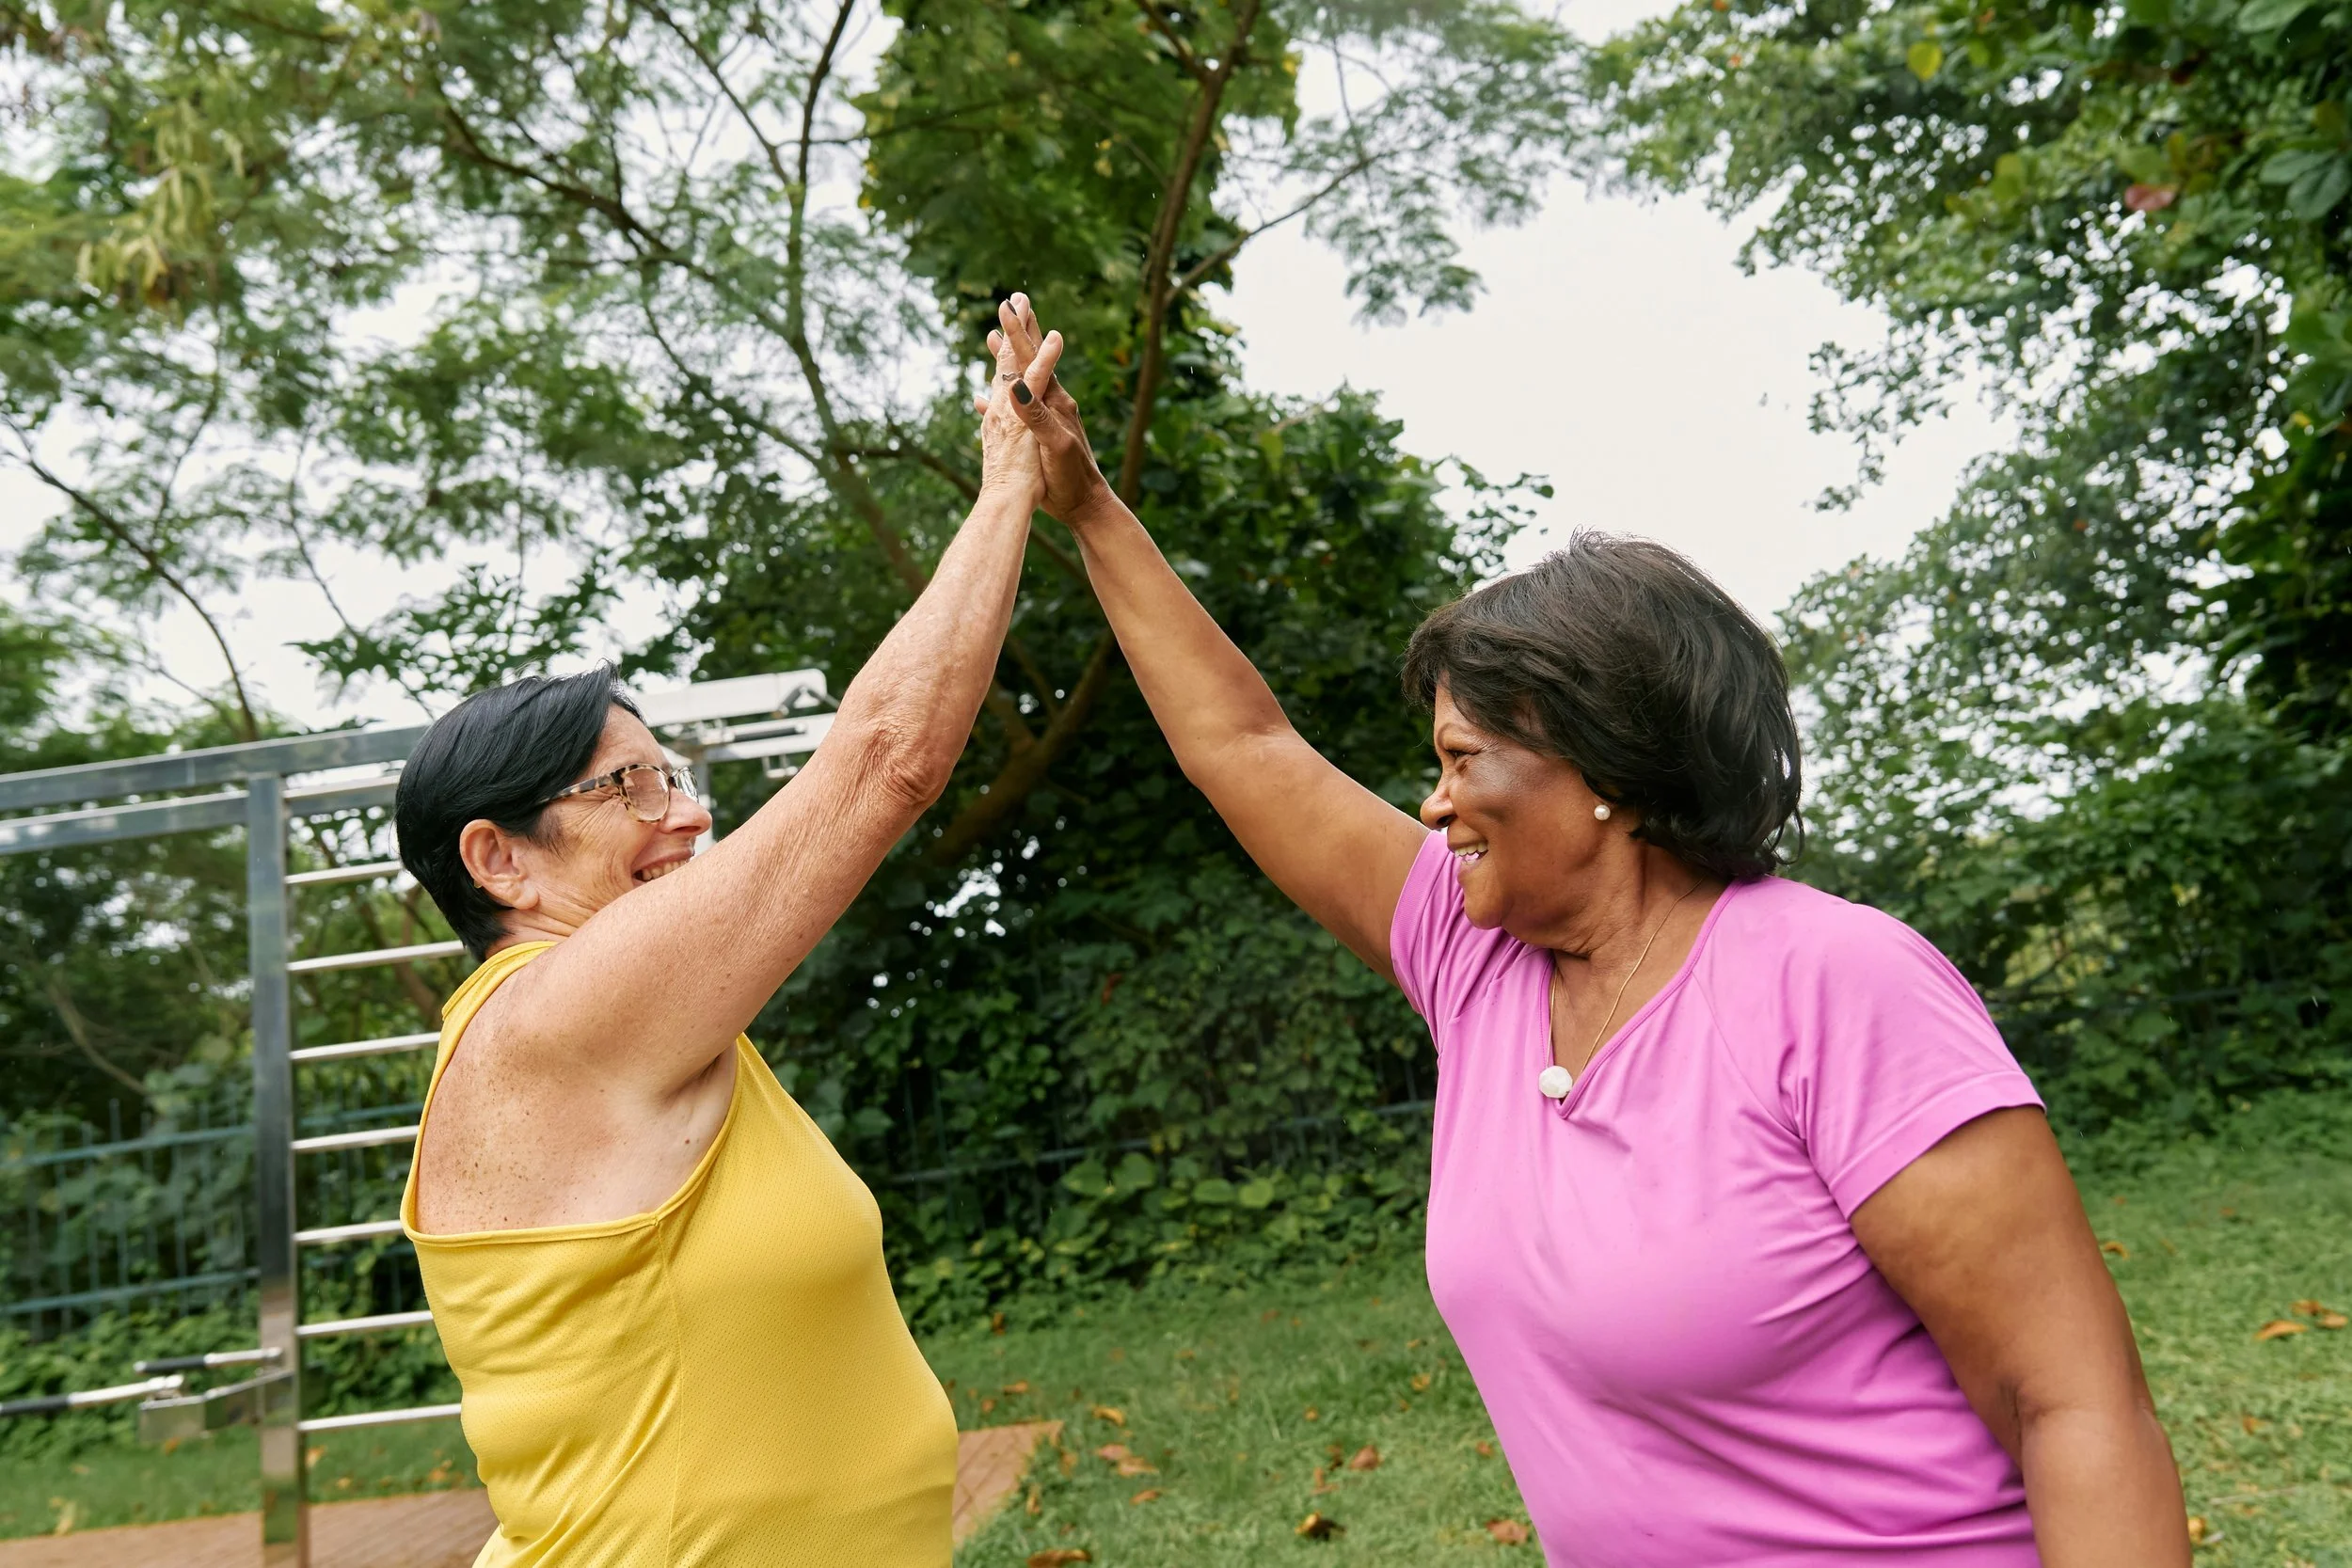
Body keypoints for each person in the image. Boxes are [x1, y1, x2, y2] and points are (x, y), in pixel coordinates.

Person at [983, 299, 2192, 1567]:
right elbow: (1245, 746)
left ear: (1604, 768)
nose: (1432, 803)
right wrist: (1089, 505)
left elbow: (2076, 1405)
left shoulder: (1835, 984)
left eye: (1463, 759)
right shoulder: (1474, 960)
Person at [390, 301, 1065, 1567]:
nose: (689, 814)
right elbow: (888, 758)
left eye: (678, 776)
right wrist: (1008, 478)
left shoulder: (639, 1029)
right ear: (499, 858)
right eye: (631, 786)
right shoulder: (551, 1021)